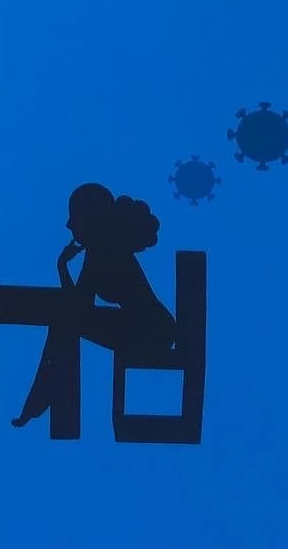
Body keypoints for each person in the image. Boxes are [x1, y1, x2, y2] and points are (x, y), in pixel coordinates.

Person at [11, 183, 177, 430]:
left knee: (63, 325)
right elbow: (79, 304)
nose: (69, 225)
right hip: (140, 326)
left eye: (74, 218)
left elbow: (79, 306)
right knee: (64, 324)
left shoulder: (105, 253)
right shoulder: (99, 251)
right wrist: (63, 267)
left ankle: (42, 404)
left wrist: (62, 267)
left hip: (152, 332)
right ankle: (41, 403)